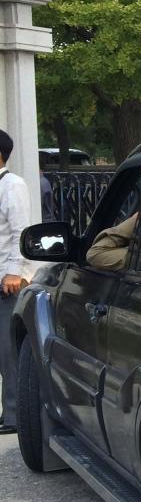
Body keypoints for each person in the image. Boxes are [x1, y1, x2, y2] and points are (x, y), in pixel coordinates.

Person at [0, 130, 33, 435]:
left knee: (8, 349)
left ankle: (13, 416)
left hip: (6, 280)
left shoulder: (12, 185)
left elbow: (20, 231)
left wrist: (14, 271)